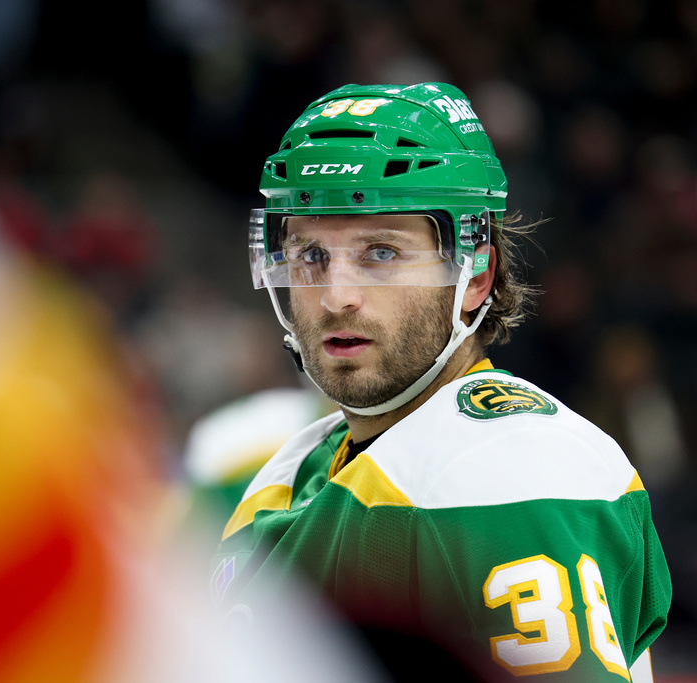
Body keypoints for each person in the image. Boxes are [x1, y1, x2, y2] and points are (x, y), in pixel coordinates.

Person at [214, 82, 672, 682]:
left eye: (381, 253)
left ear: (476, 274)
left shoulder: (512, 470)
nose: (336, 297)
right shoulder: (288, 470)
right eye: (310, 255)